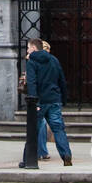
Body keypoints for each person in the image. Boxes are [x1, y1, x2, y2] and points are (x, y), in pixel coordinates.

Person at [22, 37, 72, 167]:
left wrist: (35, 103)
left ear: (33, 48)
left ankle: (27, 159)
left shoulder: (32, 62)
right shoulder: (54, 60)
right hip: (54, 100)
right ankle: (66, 155)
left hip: (40, 101)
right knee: (59, 129)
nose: (27, 50)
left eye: (28, 48)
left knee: (33, 130)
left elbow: (32, 83)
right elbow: (61, 80)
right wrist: (64, 99)